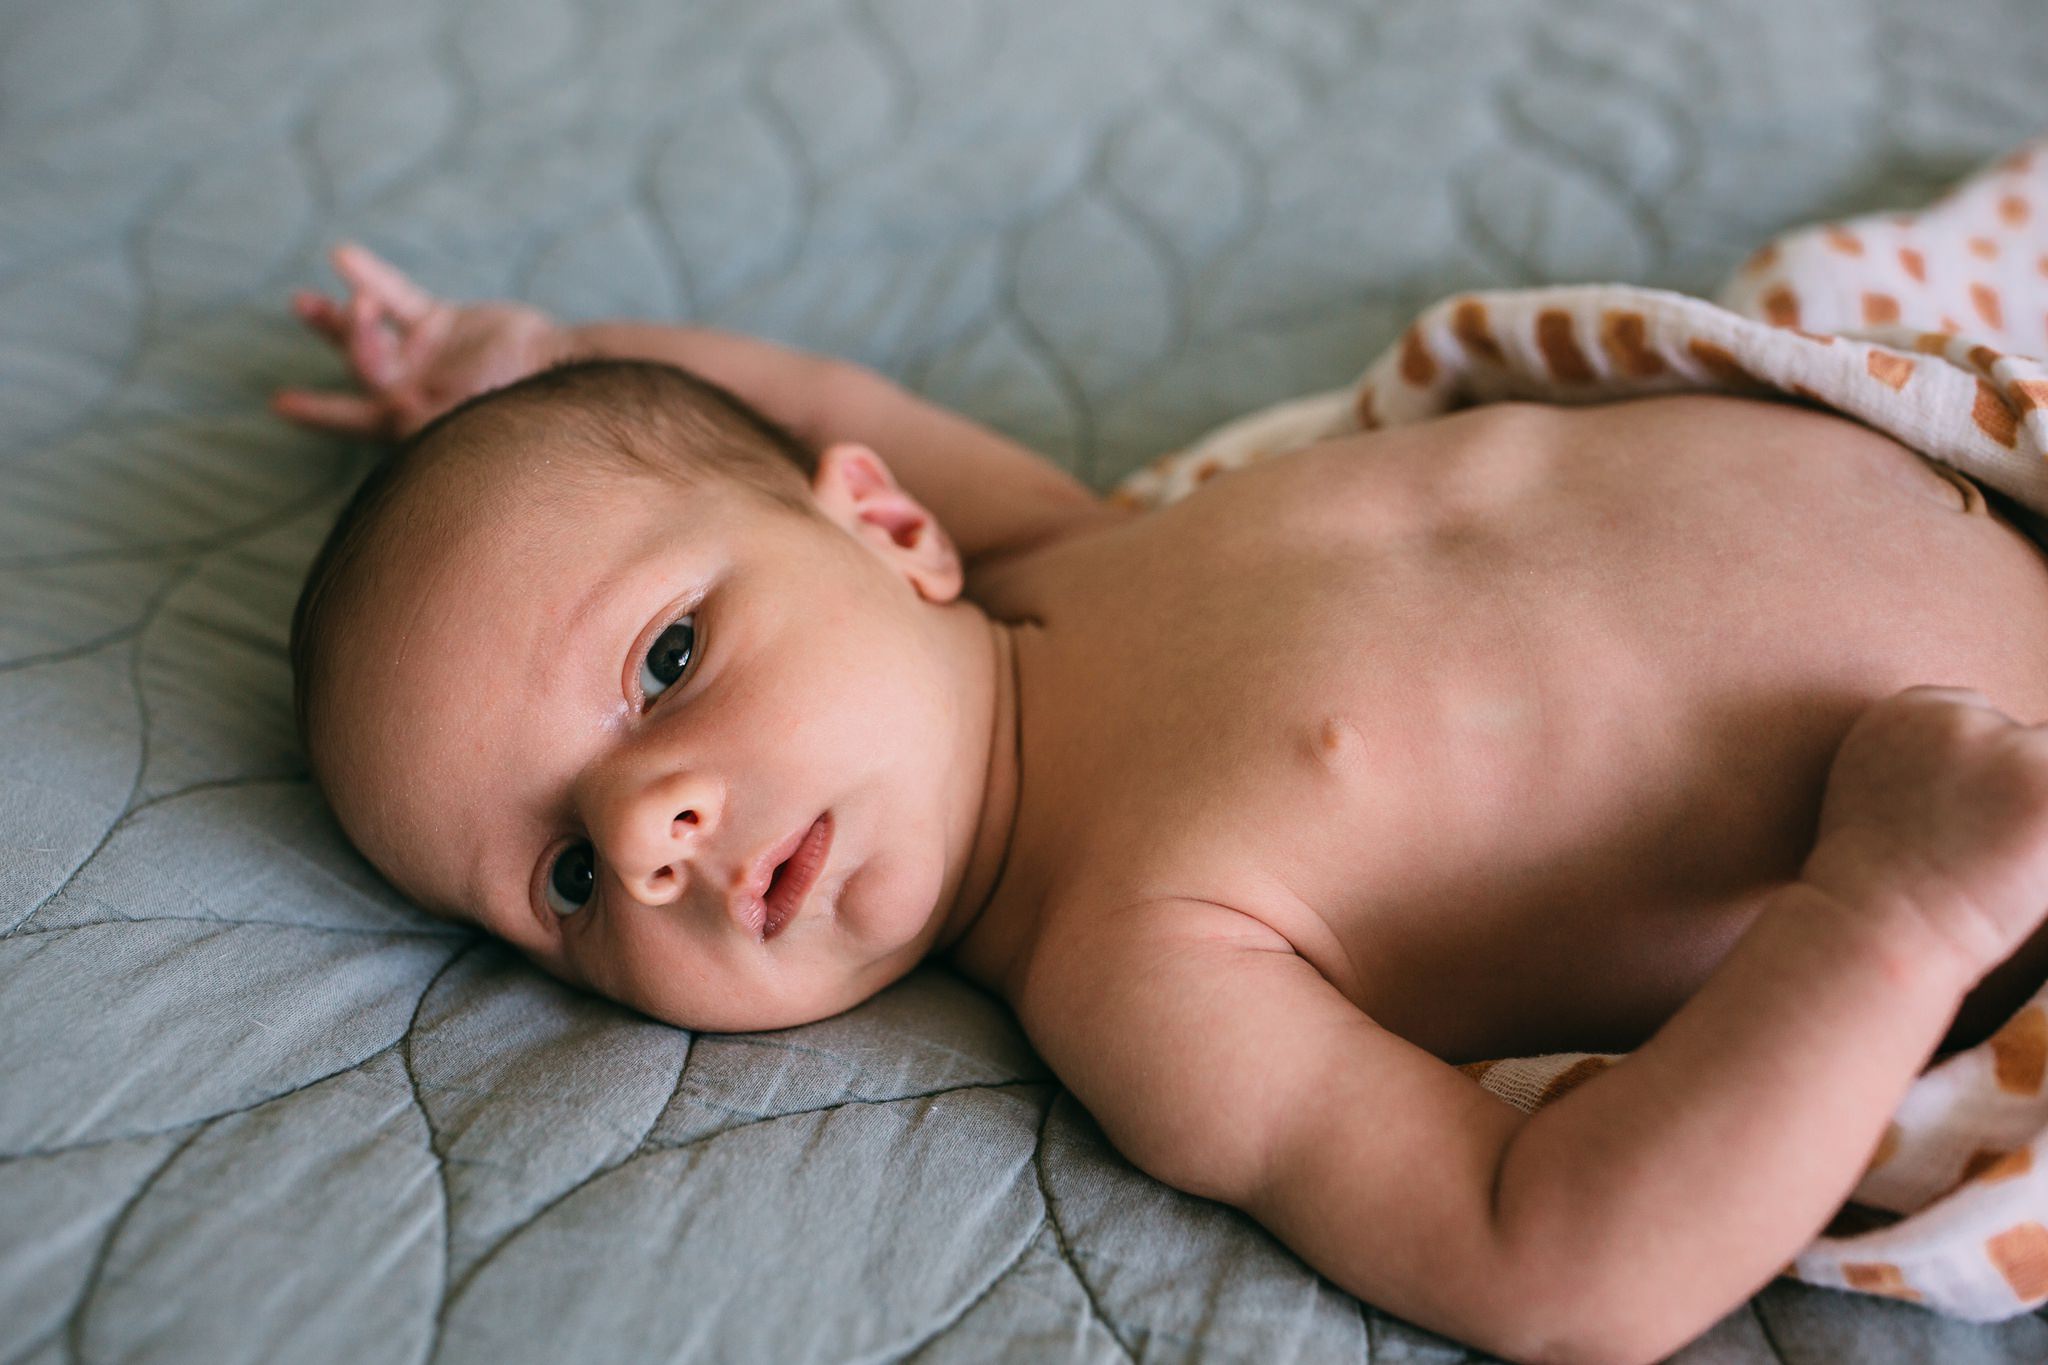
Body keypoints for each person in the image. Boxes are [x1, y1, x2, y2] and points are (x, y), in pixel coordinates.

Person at [276, 219, 2048, 1360]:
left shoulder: (1058, 547)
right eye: (564, 884)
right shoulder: (1140, 968)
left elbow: (790, 400)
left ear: (889, 526)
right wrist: (1893, 913)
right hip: (1991, 844)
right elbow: (1548, 1257)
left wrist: (534, 354)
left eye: (666, 660)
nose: (647, 830)